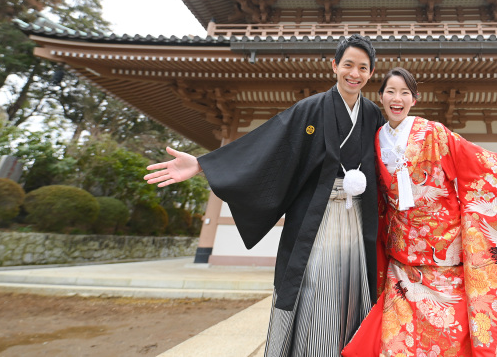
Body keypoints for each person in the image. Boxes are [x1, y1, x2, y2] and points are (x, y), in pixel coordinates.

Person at [144, 34, 386, 357]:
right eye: (348, 65)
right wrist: (203, 164)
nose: (354, 74)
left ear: (371, 73)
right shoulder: (309, 109)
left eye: (363, 68)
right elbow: (268, 147)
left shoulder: (373, 115)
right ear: (334, 66)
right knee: (317, 287)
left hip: (356, 218)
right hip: (317, 220)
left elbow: (390, 163)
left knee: (354, 286)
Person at [343, 67, 497, 357]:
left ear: (414, 99)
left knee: (455, 331)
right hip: (402, 256)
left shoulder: (434, 133)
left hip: (444, 252)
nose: (397, 98)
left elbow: (478, 161)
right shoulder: (377, 139)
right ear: (381, 97)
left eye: (405, 92)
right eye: (390, 91)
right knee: (397, 336)